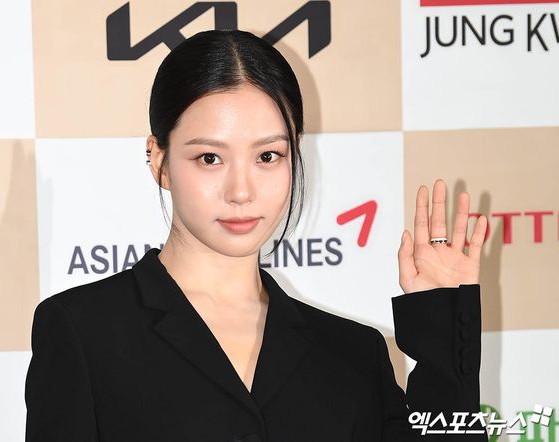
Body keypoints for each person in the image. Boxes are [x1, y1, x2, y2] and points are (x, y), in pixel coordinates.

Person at [24, 29, 489, 442]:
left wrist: (441, 324)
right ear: (158, 160)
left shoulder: (353, 353)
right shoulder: (83, 332)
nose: (242, 191)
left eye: (268, 156)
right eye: (210, 158)